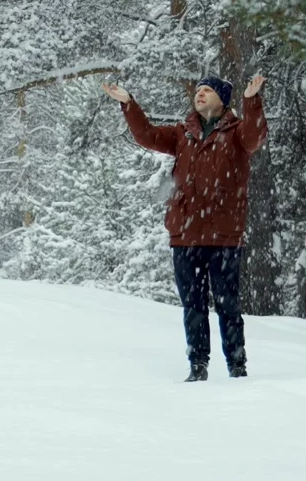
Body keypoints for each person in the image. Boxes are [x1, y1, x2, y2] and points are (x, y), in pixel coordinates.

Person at [103, 75, 268, 382]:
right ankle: (198, 366)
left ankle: (237, 366)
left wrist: (252, 100)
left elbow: (255, 137)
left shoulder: (236, 132)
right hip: (186, 236)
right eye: (197, 91)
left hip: (223, 237)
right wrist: (129, 104)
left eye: (206, 90)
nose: (199, 94)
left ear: (222, 98)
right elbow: (148, 135)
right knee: (193, 306)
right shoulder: (183, 133)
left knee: (227, 305)